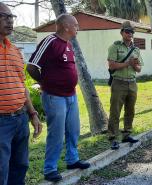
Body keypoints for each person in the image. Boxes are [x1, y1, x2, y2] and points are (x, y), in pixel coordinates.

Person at [27, 14, 90, 182]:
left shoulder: (68, 44)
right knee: (56, 133)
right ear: (66, 26)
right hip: (54, 97)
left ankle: (72, 160)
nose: (78, 28)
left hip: (71, 95)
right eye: (76, 25)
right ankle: (50, 169)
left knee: (73, 129)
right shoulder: (50, 41)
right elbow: (32, 66)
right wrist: (45, 82)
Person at [0, 3, 42, 184]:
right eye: (4, 16)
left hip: (20, 119)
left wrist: (32, 113)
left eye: (12, 17)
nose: (10, 21)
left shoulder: (16, 51)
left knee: (20, 166)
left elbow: (21, 84)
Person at [107, 21, 142, 150]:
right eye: (127, 31)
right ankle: (114, 138)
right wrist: (128, 63)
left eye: (132, 32)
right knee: (115, 111)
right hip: (119, 82)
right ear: (122, 32)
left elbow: (139, 69)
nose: (130, 34)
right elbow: (112, 65)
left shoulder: (136, 49)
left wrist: (134, 65)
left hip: (132, 83)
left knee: (130, 110)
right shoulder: (115, 47)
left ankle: (127, 134)